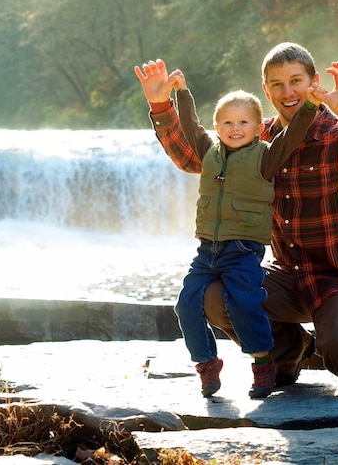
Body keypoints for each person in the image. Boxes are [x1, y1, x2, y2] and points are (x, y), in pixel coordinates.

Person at [134, 42, 338, 422]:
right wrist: (163, 106)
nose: (287, 92)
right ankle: (288, 354)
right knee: (216, 295)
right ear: (266, 90)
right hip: (287, 277)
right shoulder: (255, 139)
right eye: (277, 84)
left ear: (313, 84)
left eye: (296, 81)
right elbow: (197, 158)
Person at [134, 63, 322, 398]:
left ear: (257, 127)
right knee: (186, 305)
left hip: (243, 250)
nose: (235, 129)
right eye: (227, 123)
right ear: (217, 126)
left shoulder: (266, 156)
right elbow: (190, 126)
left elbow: (293, 134)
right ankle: (207, 363)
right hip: (207, 250)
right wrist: (181, 92)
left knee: (244, 303)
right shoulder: (209, 151)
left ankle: (263, 362)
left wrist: (310, 105)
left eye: (244, 122)